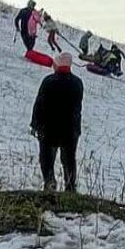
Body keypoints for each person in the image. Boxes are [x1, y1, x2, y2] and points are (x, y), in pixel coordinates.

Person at [30, 52, 84, 192]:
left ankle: (50, 182)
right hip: (70, 129)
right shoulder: (77, 83)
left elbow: (39, 104)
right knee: (69, 159)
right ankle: (70, 186)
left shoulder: (49, 81)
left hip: (49, 127)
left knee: (47, 158)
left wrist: (35, 123)